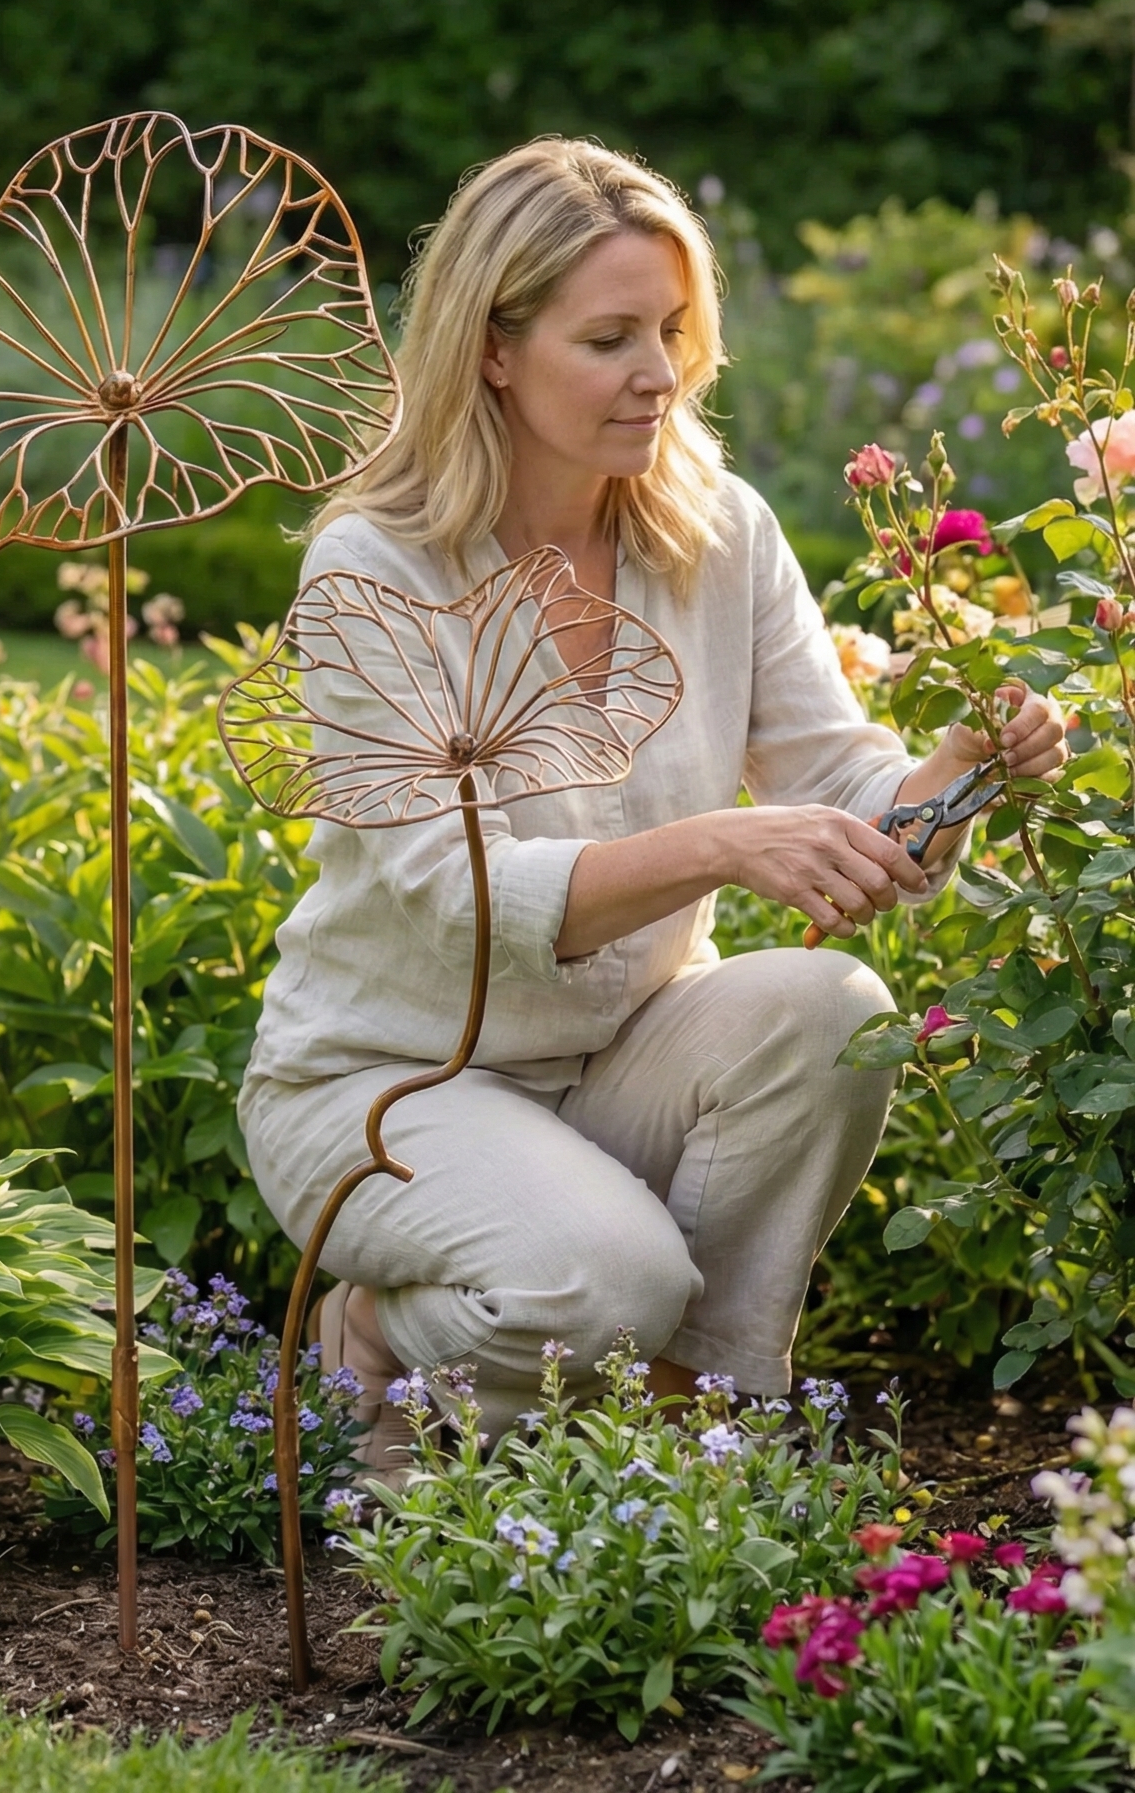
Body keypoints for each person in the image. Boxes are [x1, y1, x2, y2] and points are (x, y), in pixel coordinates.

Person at [238, 137, 1068, 1466]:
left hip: (621, 1057)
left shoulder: (717, 531)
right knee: (603, 1287)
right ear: (493, 348)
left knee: (833, 1013)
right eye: (610, 336)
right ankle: (385, 1338)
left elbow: (847, 789)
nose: (658, 374)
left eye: (675, 332)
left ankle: (685, 1429)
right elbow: (450, 900)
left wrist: (962, 767)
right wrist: (723, 847)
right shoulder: (373, 565)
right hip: (393, 1078)